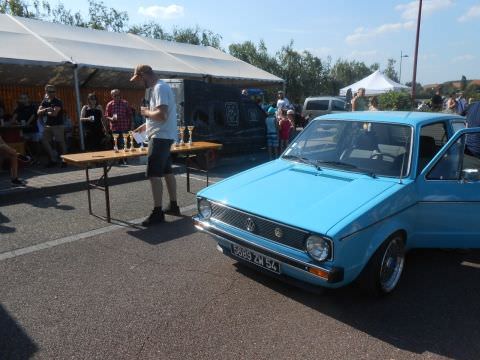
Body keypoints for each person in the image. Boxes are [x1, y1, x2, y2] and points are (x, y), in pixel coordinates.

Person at [130, 64, 180, 226]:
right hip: (163, 136)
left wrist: (145, 113)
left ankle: (157, 213)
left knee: (153, 174)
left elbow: (161, 114)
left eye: (139, 79)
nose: (139, 82)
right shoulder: (160, 87)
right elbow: (160, 116)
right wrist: (144, 126)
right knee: (167, 171)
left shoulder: (159, 88)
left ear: (144, 75)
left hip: (160, 138)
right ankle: (173, 206)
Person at [37, 84, 67, 167]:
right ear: (46, 92)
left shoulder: (58, 101)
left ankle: (65, 160)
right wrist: (47, 110)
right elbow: (38, 112)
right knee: (44, 141)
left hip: (58, 125)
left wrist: (45, 111)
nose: (52, 93)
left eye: (53, 91)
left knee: (60, 142)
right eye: (49, 91)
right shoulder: (45, 101)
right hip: (48, 125)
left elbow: (54, 114)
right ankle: (53, 158)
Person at [11, 94, 40, 162]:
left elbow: (33, 116)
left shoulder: (33, 107)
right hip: (23, 130)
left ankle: (36, 159)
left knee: (35, 144)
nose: (23, 100)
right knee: (24, 145)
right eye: (21, 98)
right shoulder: (18, 108)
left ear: (28, 99)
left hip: (33, 129)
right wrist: (17, 122)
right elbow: (13, 119)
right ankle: (27, 158)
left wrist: (27, 123)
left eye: (25, 98)